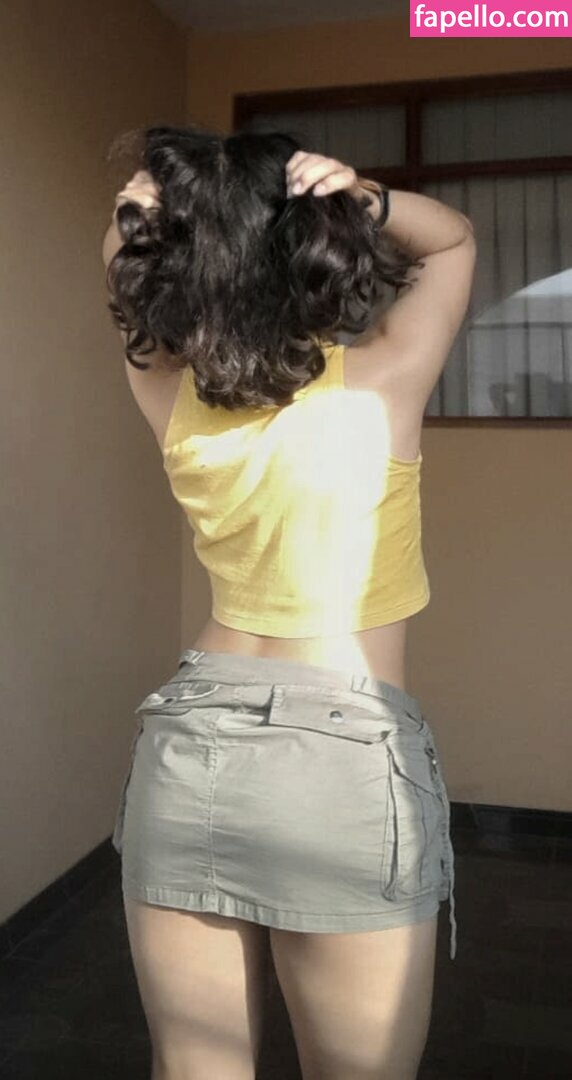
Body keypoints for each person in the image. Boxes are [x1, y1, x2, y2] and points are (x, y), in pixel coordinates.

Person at [102, 124, 476, 1080]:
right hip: (342, 757)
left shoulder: (170, 397)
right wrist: (365, 198)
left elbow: (123, 257)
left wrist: (151, 200)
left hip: (191, 740)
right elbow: (452, 242)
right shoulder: (382, 383)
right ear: (308, 248)